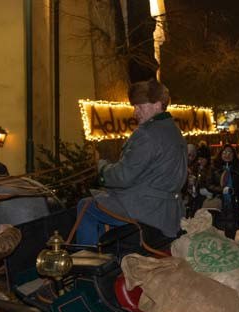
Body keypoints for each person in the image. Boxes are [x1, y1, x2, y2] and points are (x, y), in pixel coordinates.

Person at [76, 79, 186, 245]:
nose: (135, 112)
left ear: (157, 105)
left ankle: (87, 262)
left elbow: (123, 176)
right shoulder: (174, 131)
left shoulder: (147, 134)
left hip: (146, 209)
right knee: (103, 203)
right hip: (169, 210)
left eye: (139, 106)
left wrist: (102, 170)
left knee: (85, 206)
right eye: (135, 107)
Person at [210, 145, 239, 239]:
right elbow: (209, 184)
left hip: (233, 204)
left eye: (230, 152)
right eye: (225, 152)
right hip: (218, 205)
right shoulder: (215, 168)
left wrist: (234, 191)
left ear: (234, 155)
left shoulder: (238, 168)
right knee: (218, 233)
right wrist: (220, 190)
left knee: (231, 234)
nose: (227, 155)